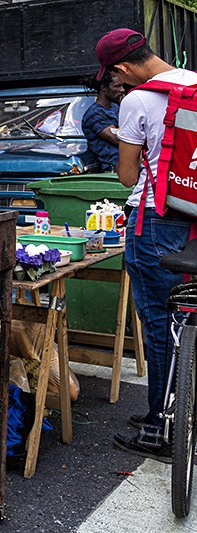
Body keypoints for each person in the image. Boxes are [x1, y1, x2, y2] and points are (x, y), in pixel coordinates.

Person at [95, 28, 197, 463]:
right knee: (185, 317)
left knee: (158, 322)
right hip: (191, 217)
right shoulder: (193, 81)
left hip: (154, 220)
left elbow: (126, 176)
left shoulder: (137, 100)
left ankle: (160, 425)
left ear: (120, 68)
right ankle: (181, 412)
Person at [81, 73, 124, 172]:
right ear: (104, 88)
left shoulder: (115, 106)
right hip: (112, 169)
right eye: (117, 86)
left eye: (122, 86)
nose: (122, 90)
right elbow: (117, 139)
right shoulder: (94, 113)